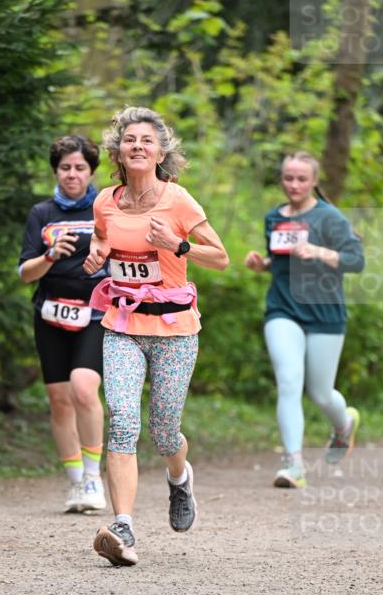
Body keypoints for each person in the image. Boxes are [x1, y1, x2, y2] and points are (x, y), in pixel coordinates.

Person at [83, 106, 229, 567]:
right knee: (123, 419)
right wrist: (95, 254)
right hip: (122, 326)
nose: (138, 146)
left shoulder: (179, 201)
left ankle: (179, 477)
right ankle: (122, 525)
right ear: (119, 152)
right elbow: (102, 240)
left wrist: (178, 246)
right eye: (130, 140)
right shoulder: (105, 200)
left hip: (175, 329)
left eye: (147, 140)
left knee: (165, 432)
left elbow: (220, 257)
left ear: (160, 151)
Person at [245, 150, 364, 488]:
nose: (293, 185)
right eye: (288, 178)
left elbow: (356, 261)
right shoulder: (274, 217)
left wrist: (320, 252)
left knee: (321, 393)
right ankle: (293, 464)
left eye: (301, 179)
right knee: (288, 380)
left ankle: (344, 426)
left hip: (325, 313)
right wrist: (262, 264)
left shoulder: (330, 218)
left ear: (314, 181)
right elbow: (279, 260)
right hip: (283, 309)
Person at [19, 135, 108, 513]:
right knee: (59, 401)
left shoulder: (106, 208)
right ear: (56, 171)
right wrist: (50, 256)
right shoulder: (41, 213)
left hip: (96, 312)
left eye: (80, 168)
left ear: (91, 171)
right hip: (51, 312)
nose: (72, 174)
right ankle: (75, 484)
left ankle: (93, 478)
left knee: (84, 389)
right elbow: (25, 272)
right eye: (65, 168)